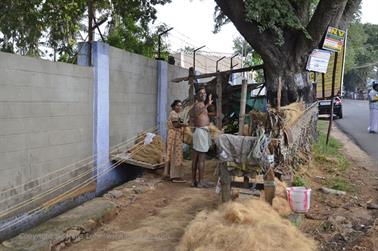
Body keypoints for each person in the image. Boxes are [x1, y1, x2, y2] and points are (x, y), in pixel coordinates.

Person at [189, 87, 213, 188]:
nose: (203, 95)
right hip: (200, 132)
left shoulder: (200, 105)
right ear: (197, 95)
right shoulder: (198, 105)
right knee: (201, 159)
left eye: (204, 93)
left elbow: (197, 115)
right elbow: (195, 114)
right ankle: (200, 182)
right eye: (201, 93)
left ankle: (194, 181)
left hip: (200, 132)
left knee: (196, 159)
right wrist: (208, 104)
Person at [164, 100, 187, 182]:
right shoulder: (173, 113)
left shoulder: (177, 114)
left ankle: (170, 174)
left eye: (180, 106)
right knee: (174, 155)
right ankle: (174, 176)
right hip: (174, 137)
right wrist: (184, 125)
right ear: (173, 106)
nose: (179, 107)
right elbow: (176, 125)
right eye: (177, 105)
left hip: (176, 136)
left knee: (173, 154)